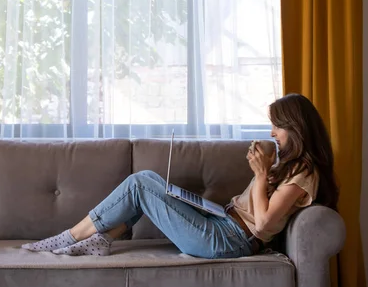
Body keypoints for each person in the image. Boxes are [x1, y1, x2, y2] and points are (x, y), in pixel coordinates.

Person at [22, 93, 339, 258]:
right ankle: (101, 240)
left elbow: (266, 224)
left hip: (227, 241)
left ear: (296, 128)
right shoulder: (290, 165)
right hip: (221, 224)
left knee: (141, 182)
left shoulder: (304, 172)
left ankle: (71, 237)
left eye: (278, 126)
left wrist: (260, 174)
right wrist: (266, 170)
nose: (272, 132)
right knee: (148, 186)